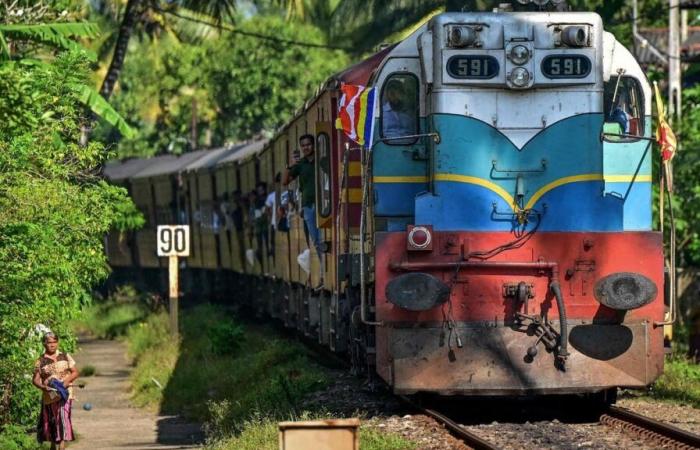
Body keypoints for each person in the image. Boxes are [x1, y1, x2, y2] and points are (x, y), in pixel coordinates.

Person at [284, 134, 323, 286]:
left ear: (314, 145)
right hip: (308, 206)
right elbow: (285, 181)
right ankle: (322, 272)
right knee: (317, 241)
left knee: (323, 241)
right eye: (303, 145)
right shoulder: (300, 165)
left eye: (308, 145)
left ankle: (324, 273)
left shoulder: (322, 160)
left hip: (323, 205)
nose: (306, 148)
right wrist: (290, 165)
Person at [33, 332, 79, 450]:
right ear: (44, 344)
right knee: (53, 419)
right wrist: (44, 387)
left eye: (54, 342)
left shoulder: (65, 356)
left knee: (63, 417)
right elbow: (35, 380)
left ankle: (62, 446)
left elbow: (75, 372)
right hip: (50, 395)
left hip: (65, 393)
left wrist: (65, 383)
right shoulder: (40, 361)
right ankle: (53, 445)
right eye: (49, 342)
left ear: (57, 343)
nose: (52, 345)